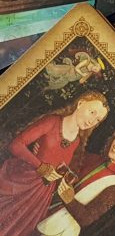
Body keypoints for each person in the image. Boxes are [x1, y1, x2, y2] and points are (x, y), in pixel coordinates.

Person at [0, 91, 109, 236]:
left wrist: (63, 179)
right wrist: (40, 166)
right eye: (92, 112)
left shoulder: (77, 142)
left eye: (97, 120)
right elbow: (16, 145)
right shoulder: (52, 122)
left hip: (39, 198)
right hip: (21, 181)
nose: (92, 121)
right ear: (80, 103)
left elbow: (62, 169)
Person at [35, 128, 115, 236]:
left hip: (58, 230)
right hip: (42, 210)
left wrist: (70, 200)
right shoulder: (94, 158)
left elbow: (86, 219)